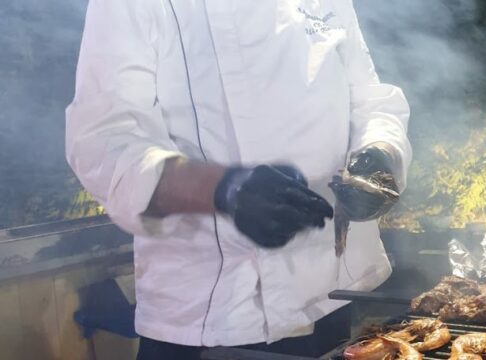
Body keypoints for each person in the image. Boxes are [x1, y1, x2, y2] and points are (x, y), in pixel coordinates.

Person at [66, 1, 411, 359]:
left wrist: (381, 151)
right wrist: (223, 189)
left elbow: (369, 98)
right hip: (215, 316)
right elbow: (103, 141)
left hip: (334, 291)